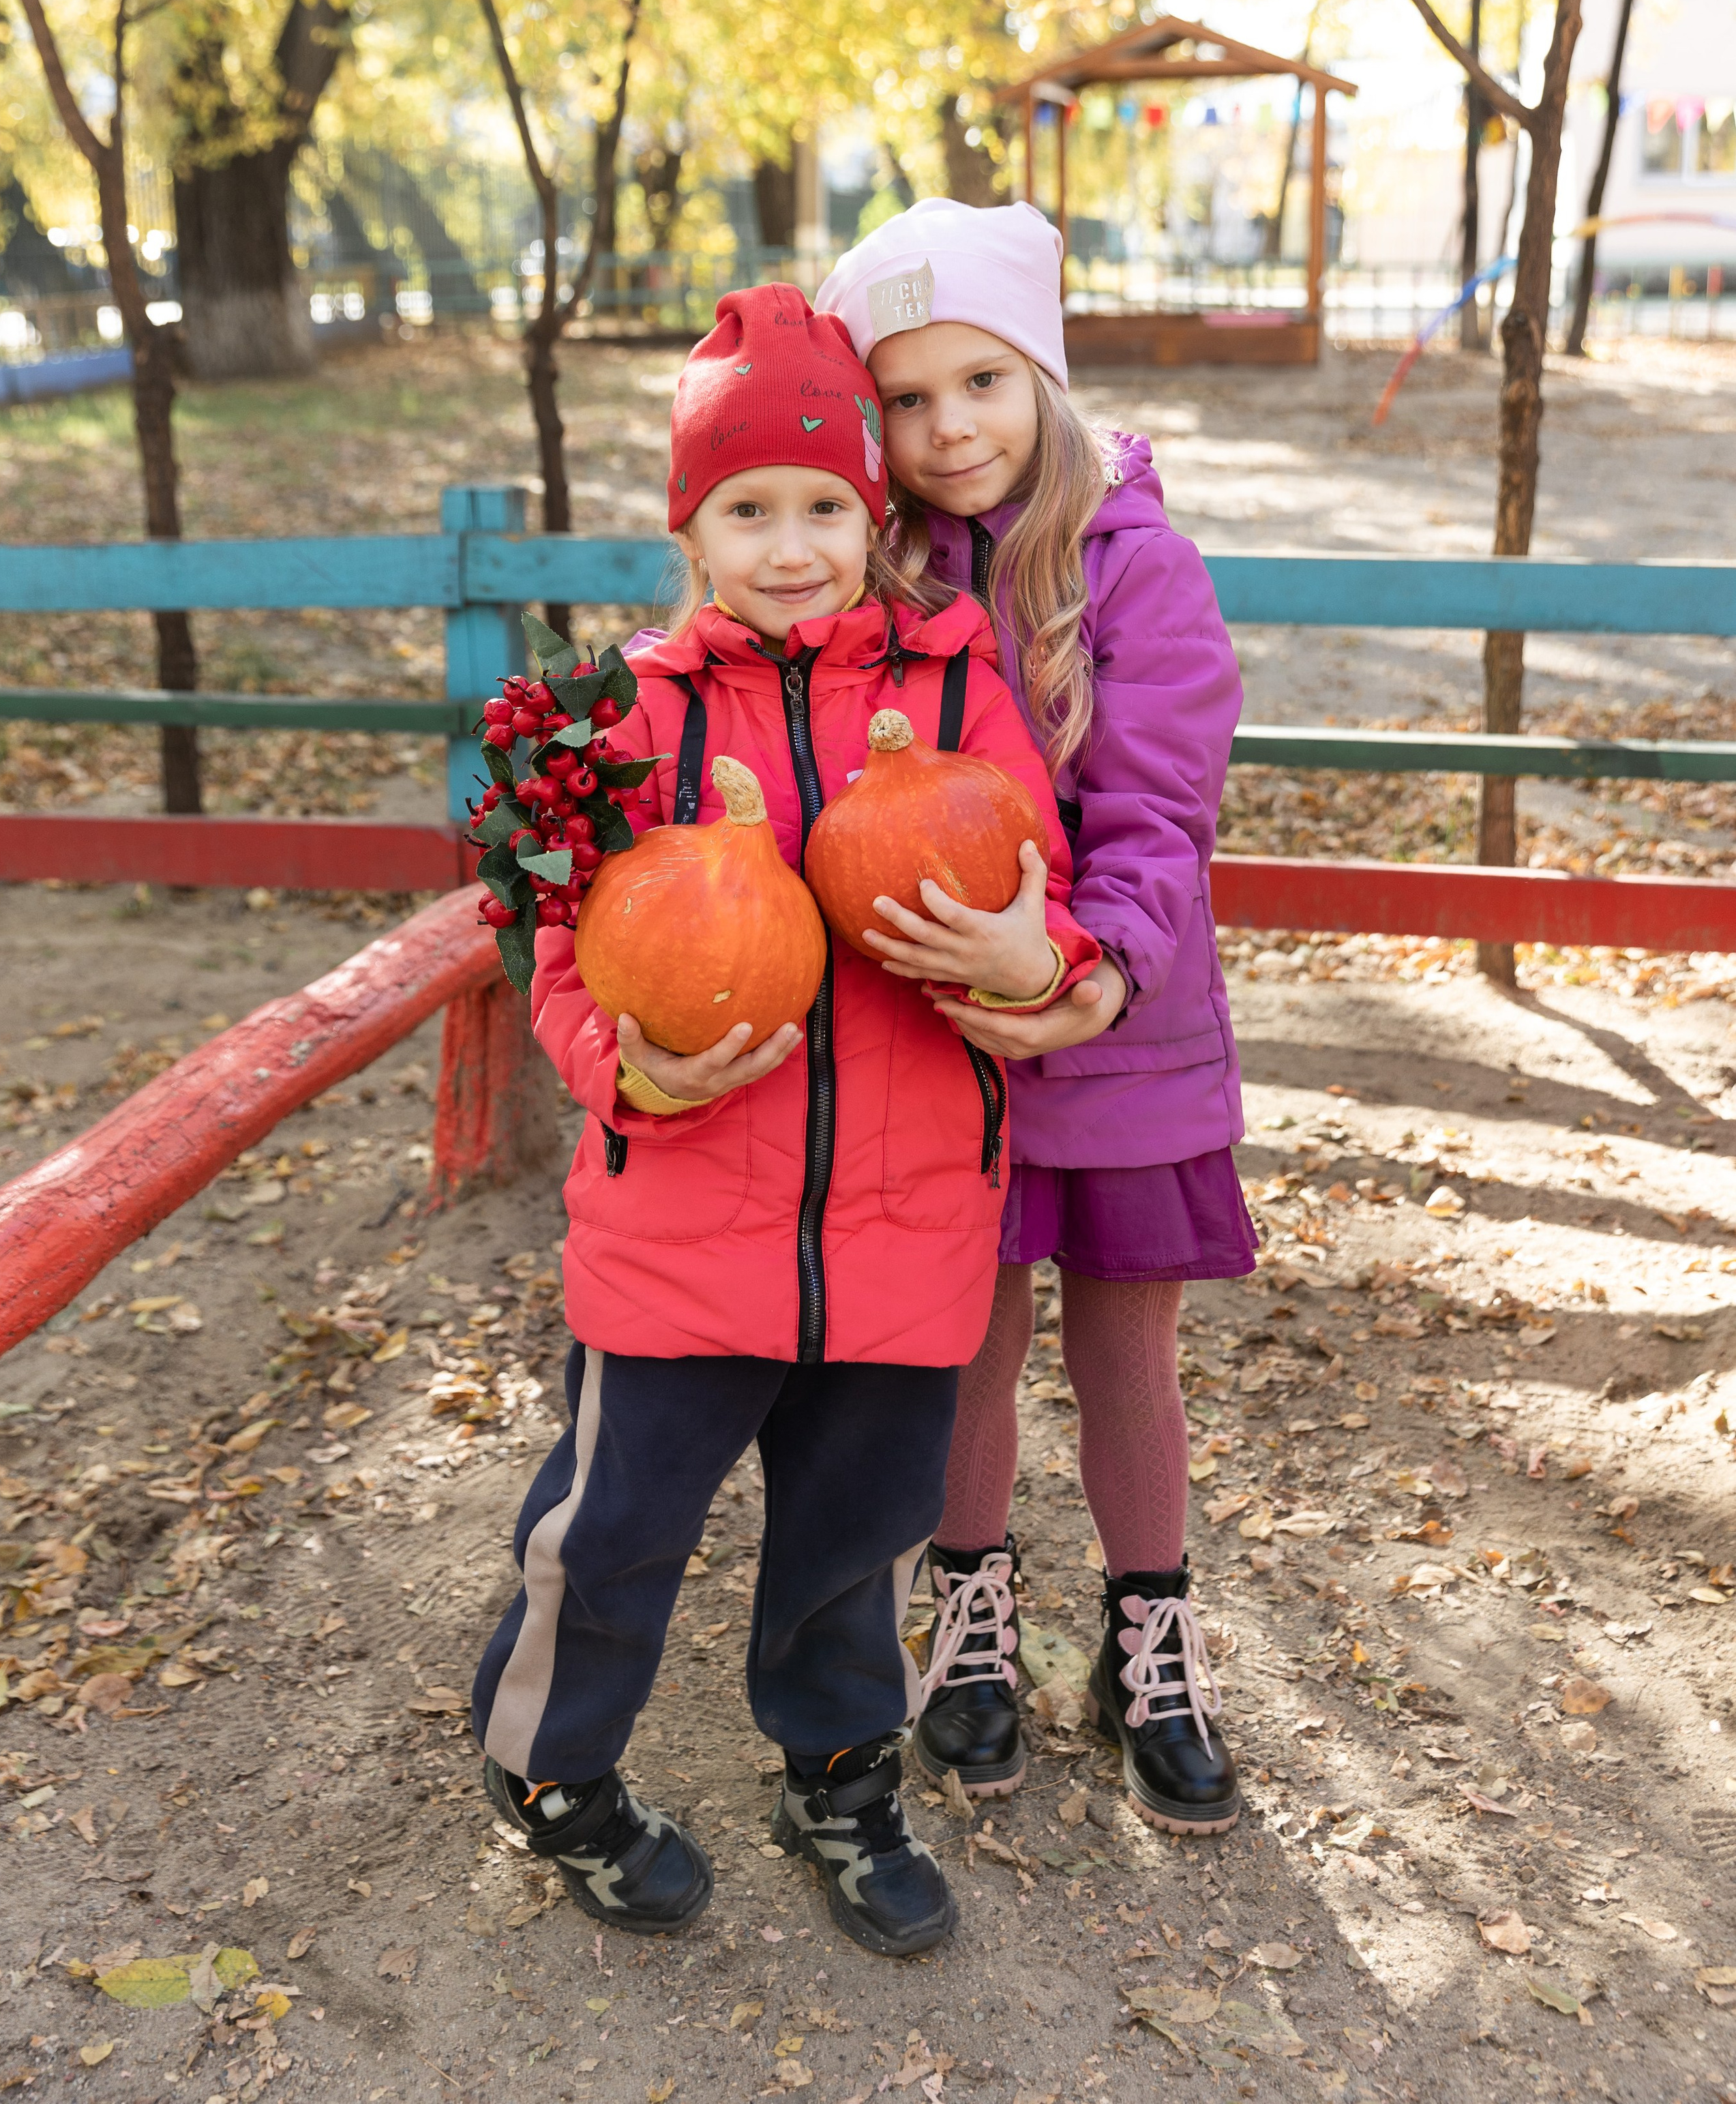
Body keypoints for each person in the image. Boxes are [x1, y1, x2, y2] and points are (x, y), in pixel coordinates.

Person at [470, 281, 1102, 1955]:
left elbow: (1048, 897)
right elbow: (561, 955)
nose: (791, 542)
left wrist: (1044, 959)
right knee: (611, 1534)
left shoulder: (964, 696)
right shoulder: (625, 719)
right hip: (679, 1222)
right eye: (746, 509)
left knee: (854, 1545)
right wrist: (626, 1074)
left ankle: (837, 1776)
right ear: (691, 528)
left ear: (873, 511)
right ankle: (552, 1770)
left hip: (904, 1237)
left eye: (824, 504)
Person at [815, 201, 1253, 1834]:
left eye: (981, 382)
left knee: (1125, 1351)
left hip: (1117, 1032)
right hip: (956, 1049)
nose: (949, 430)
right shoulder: (873, 581)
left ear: (1043, 377)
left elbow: (1158, 811)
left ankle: (1150, 1633)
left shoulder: (1138, 570)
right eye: (909, 400)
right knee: (969, 1347)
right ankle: (972, 1617)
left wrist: (1086, 978)